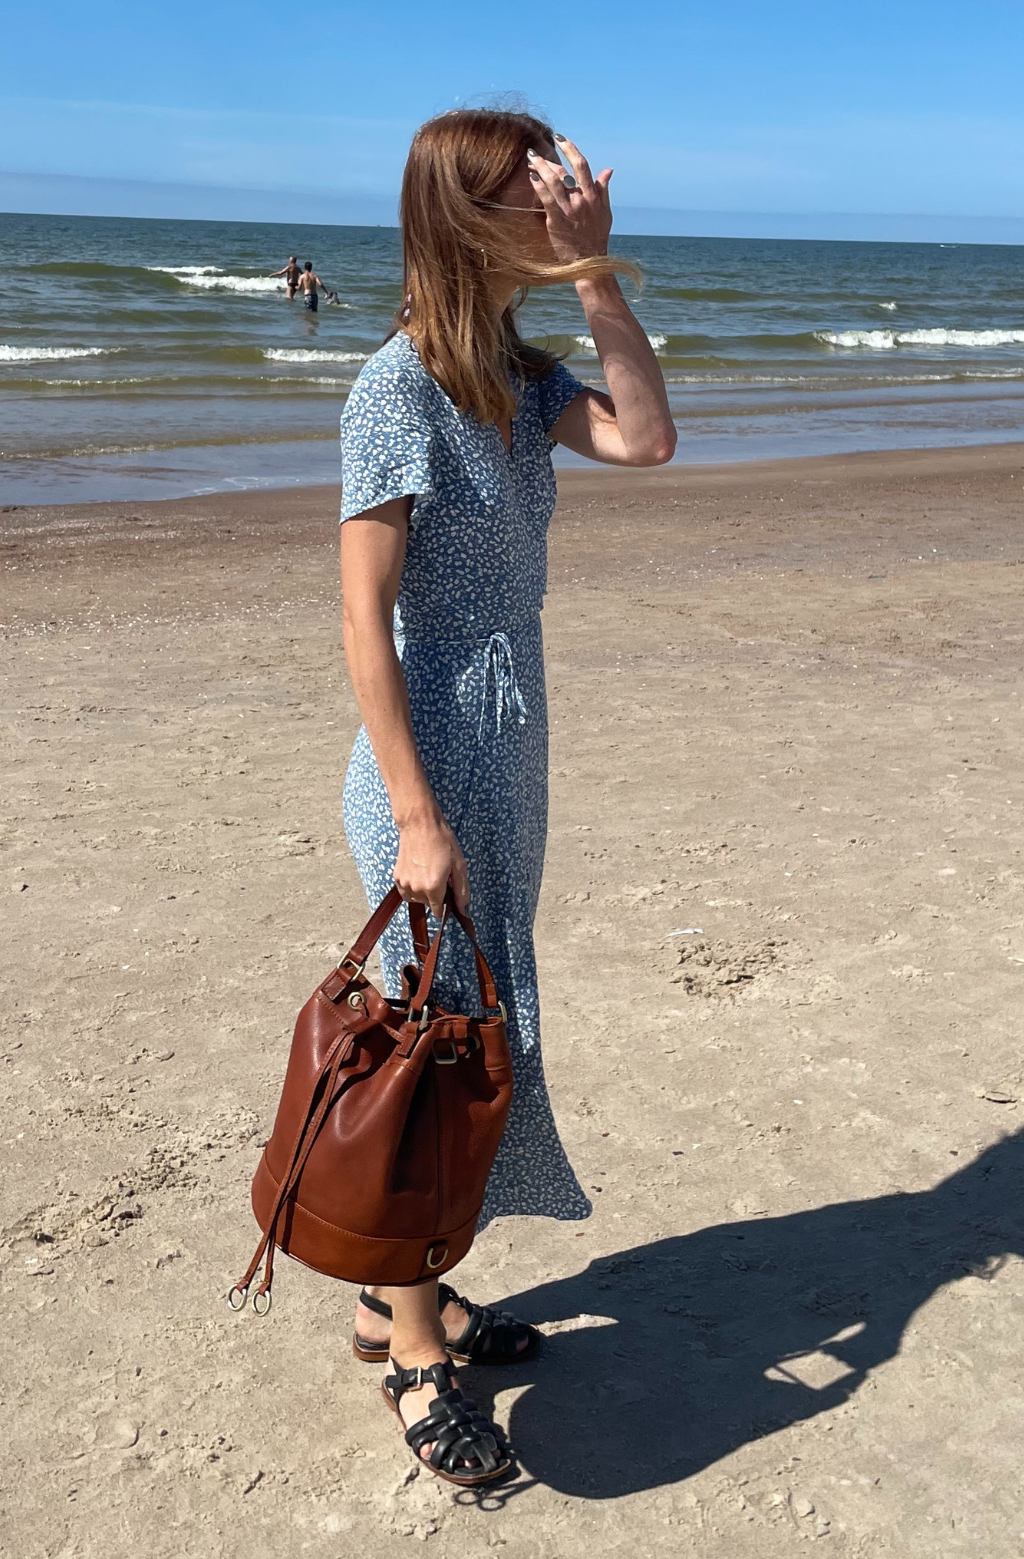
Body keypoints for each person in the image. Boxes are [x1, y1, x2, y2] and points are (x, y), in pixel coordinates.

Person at [338, 108, 675, 1485]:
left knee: (475, 1034)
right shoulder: (394, 389)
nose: (558, 204)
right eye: (537, 194)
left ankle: (398, 1300)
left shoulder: (522, 380)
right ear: (467, 217)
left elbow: (647, 439)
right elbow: (362, 617)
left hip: (510, 735)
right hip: (427, 751)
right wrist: (416, 816)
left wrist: (596, 275)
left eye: (563, 188)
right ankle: (417, 1356)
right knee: (425, 1048)